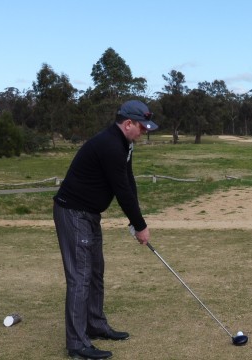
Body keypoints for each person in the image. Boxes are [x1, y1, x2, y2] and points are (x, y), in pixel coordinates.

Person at [53, 99, 158, 359]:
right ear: (128, 123)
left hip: (89, 214)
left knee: (96, 271)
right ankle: (77, 344)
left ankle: (95, 325)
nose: (144, 132)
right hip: (73, 213)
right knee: (80, 276)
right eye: (141, 128)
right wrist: (142, 226)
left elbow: (128, 180)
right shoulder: (110, 145)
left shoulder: (125, 144)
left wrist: (136, 221)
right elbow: (121, 190)